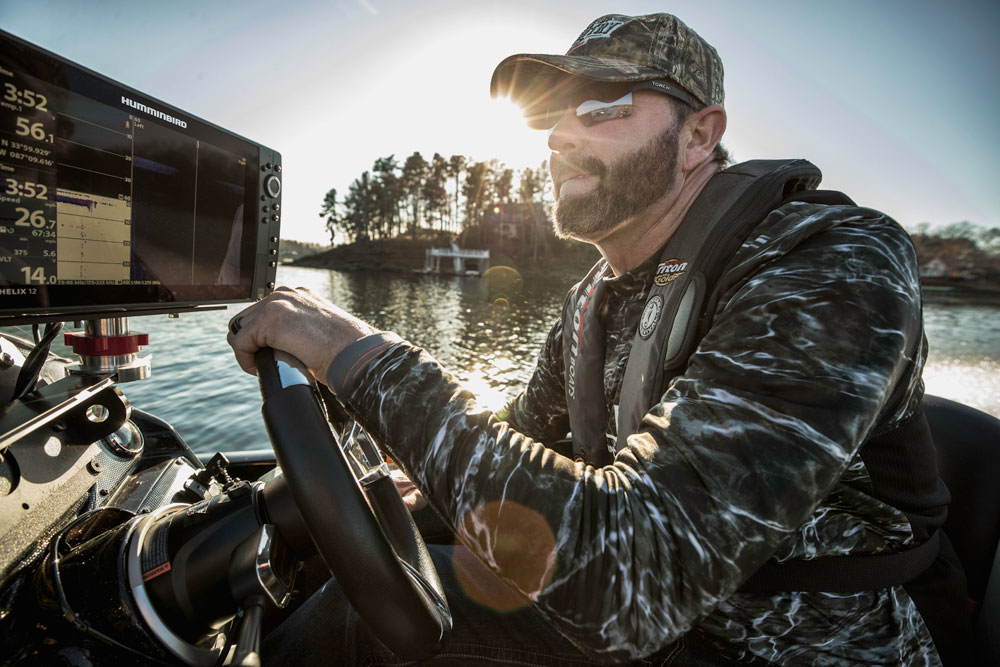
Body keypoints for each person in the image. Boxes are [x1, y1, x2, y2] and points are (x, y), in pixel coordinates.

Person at [231, 12, 971, 666]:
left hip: (804, 644)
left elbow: (637, 577)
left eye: (599, 105)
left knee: (365, 624)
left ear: (699, 135)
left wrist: (360, 358)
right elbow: (520, 441)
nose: (559, 133)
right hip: (663, 634)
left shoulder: (833, 263)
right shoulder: (593, 303)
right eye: (553, 114)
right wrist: (411, 488)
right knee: (364, 564)